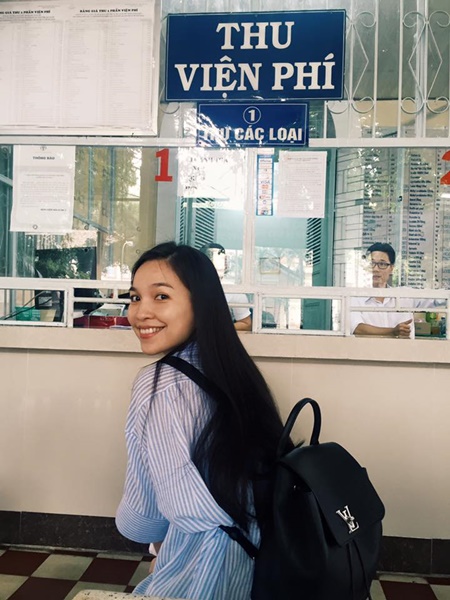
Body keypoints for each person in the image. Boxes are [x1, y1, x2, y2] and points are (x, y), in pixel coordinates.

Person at [115, 241, 285, 599]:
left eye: (161, 296)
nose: (141, 312)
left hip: (200, 570)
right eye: (134, 298)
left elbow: (145, 517)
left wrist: (157, 546)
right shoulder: (235, 370)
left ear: (201, 304)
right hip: (261, 565)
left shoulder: (159, 385)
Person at [351, 242, 441, 338]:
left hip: (403, 348)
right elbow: (357, 328)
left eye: (382, 264)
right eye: (372, 263)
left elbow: (437, 299)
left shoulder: (404, 295)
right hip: (370, 348)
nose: (376, 269)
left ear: (391, 268)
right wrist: (393, 331)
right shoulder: (355, 298)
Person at [199, 242, 252, 331]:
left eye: (223, 260)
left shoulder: (234, 291)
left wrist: (218, 330)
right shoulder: (187, 287)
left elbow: (246, 324)